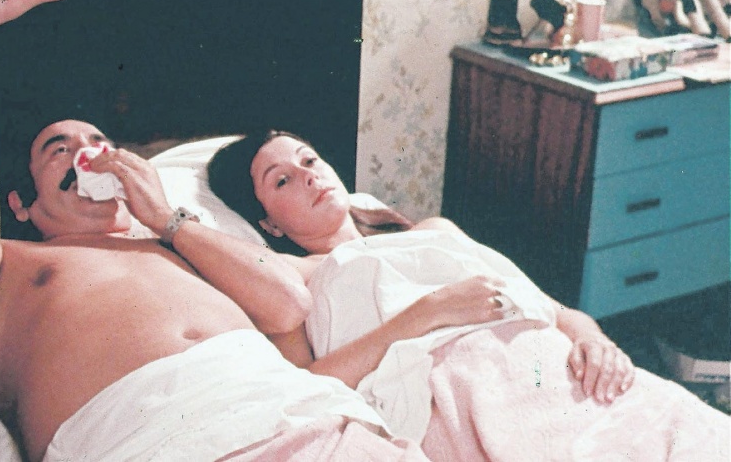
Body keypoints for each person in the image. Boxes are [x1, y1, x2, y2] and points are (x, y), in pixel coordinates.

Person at [0, 0, 432, 462]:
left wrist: (168, 220)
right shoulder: (0, 271)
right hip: (145, 441)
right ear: (19, 202)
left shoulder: (185, 242)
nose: (88, 154)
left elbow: (288, 305)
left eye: (99, 142)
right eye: (58, 149)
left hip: (289, 415)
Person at [206, 129, 730, 461]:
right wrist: (429, 312)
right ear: (268, 224)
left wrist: (597, 341)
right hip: (469, 400)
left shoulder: (434, 230)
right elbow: (306, 386)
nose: (308, 176)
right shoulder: (295, 279)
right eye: (282, 180)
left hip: (557, 369)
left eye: (309, 159)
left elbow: (558, 310)